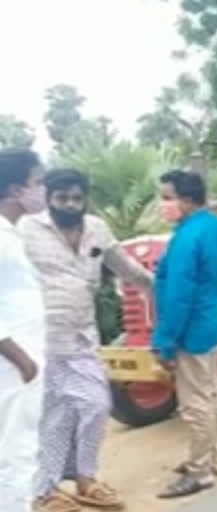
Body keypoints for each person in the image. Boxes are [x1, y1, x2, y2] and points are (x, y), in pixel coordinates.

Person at [19, 169, 154, 512]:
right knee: (54, 417)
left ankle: (85, 479)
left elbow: (126, 268)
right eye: (61, 199)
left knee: (96, 405)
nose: (70, 205)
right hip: (40, 341)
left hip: (82, 339)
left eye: (76, 198)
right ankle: (45, 491)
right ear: (49, 198)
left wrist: (161, 289)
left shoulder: (97, 228)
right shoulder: (27, 230)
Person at [152, 170, 217, 499]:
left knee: (195, 403)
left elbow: (178, 295)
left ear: (187, 199)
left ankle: (201, 471)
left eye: (167, 197)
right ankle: (208, 457)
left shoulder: (187, 237)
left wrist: (164, 341)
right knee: (212, 395)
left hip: (191, 330)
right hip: (213, 323)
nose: (163, 204)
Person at [0, 149, 47, 512]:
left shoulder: (11, 234)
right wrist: (21, 359)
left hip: (22, 361)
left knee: (17, 451)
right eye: (38, 182)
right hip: (13, 365)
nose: (43, 190)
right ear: (17, 190)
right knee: (17, 454)